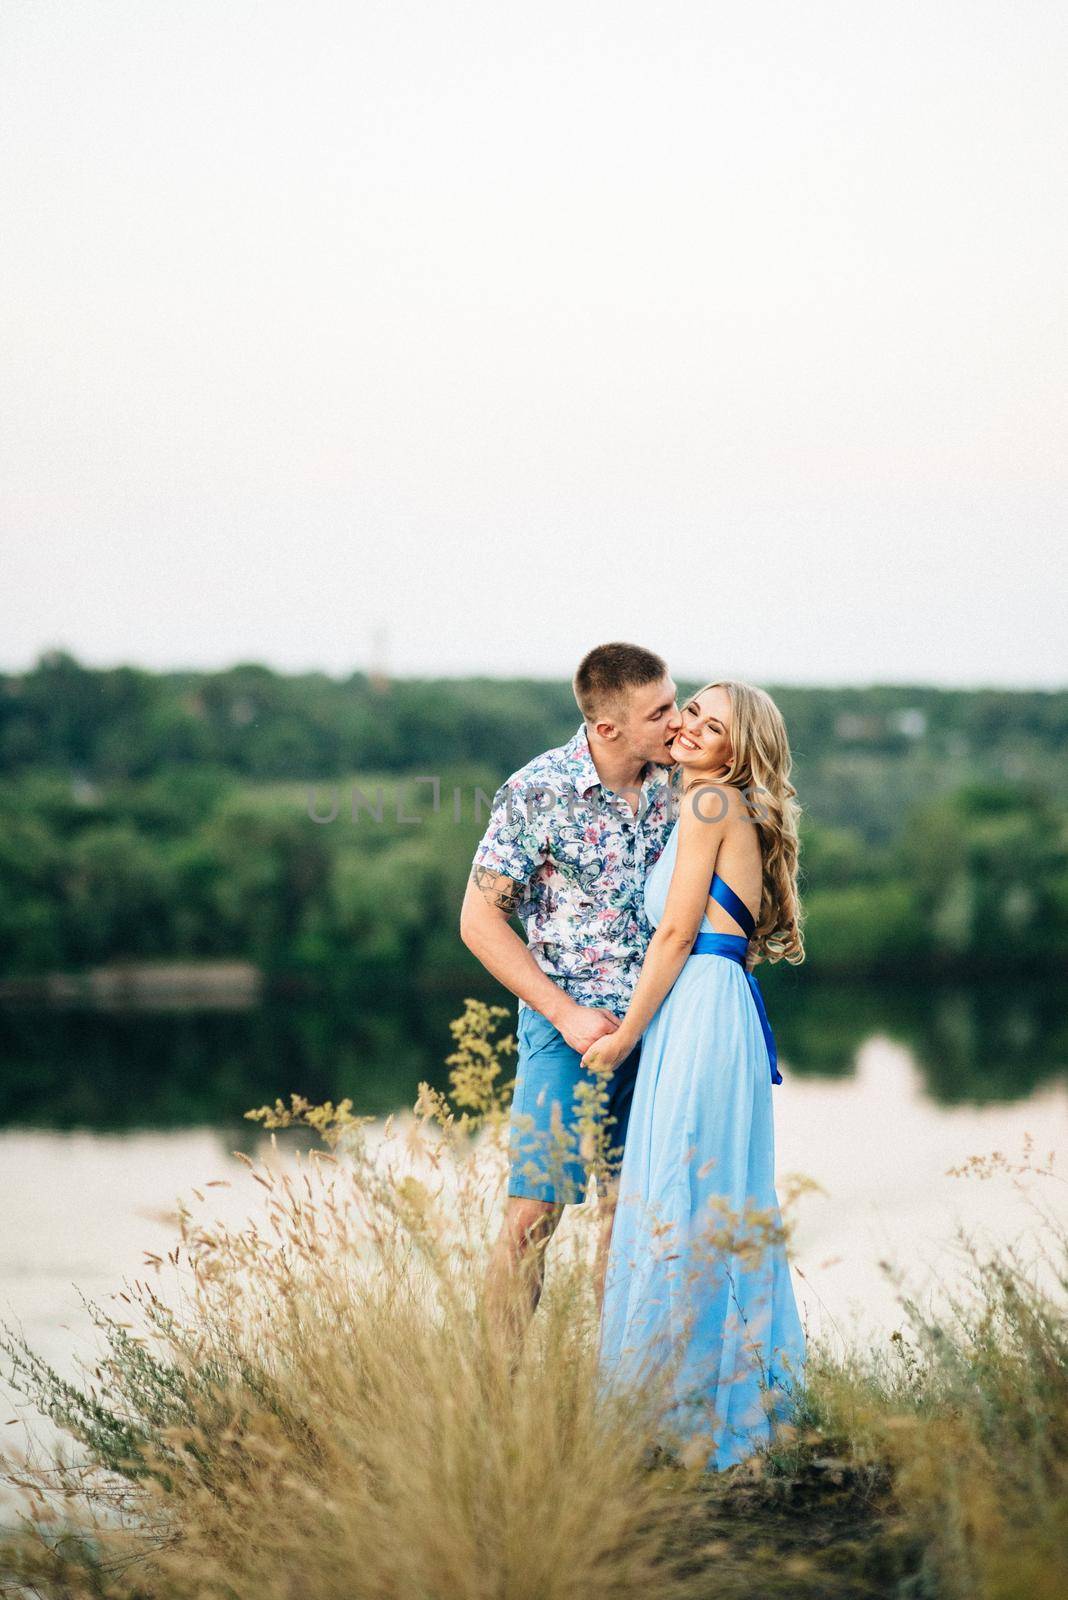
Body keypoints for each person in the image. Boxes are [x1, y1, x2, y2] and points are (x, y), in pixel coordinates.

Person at [582, 680, 807, 1471]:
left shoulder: (710, 807)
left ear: (734, 752)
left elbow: (677, 931)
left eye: (712, 728)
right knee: (701, 1193)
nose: (689, 730)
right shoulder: (711, 806)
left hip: (703, 1003)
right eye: (692, 715)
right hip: (704, 1007)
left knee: (687, 1190)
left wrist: (624, 1038)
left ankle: (696, 1419)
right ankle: (695, 1405)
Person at [459, 642, 681, 1343]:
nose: (678, 721)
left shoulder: (681, 785)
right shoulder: (536, 793)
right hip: (565, 1033)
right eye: (661, 711)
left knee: (632, 1214)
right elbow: (477, 918)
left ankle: (620, 1394)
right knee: (533, 1214)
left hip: (660, 1028)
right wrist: (564, 1013)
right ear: (607, 728)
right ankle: (496, 1401)